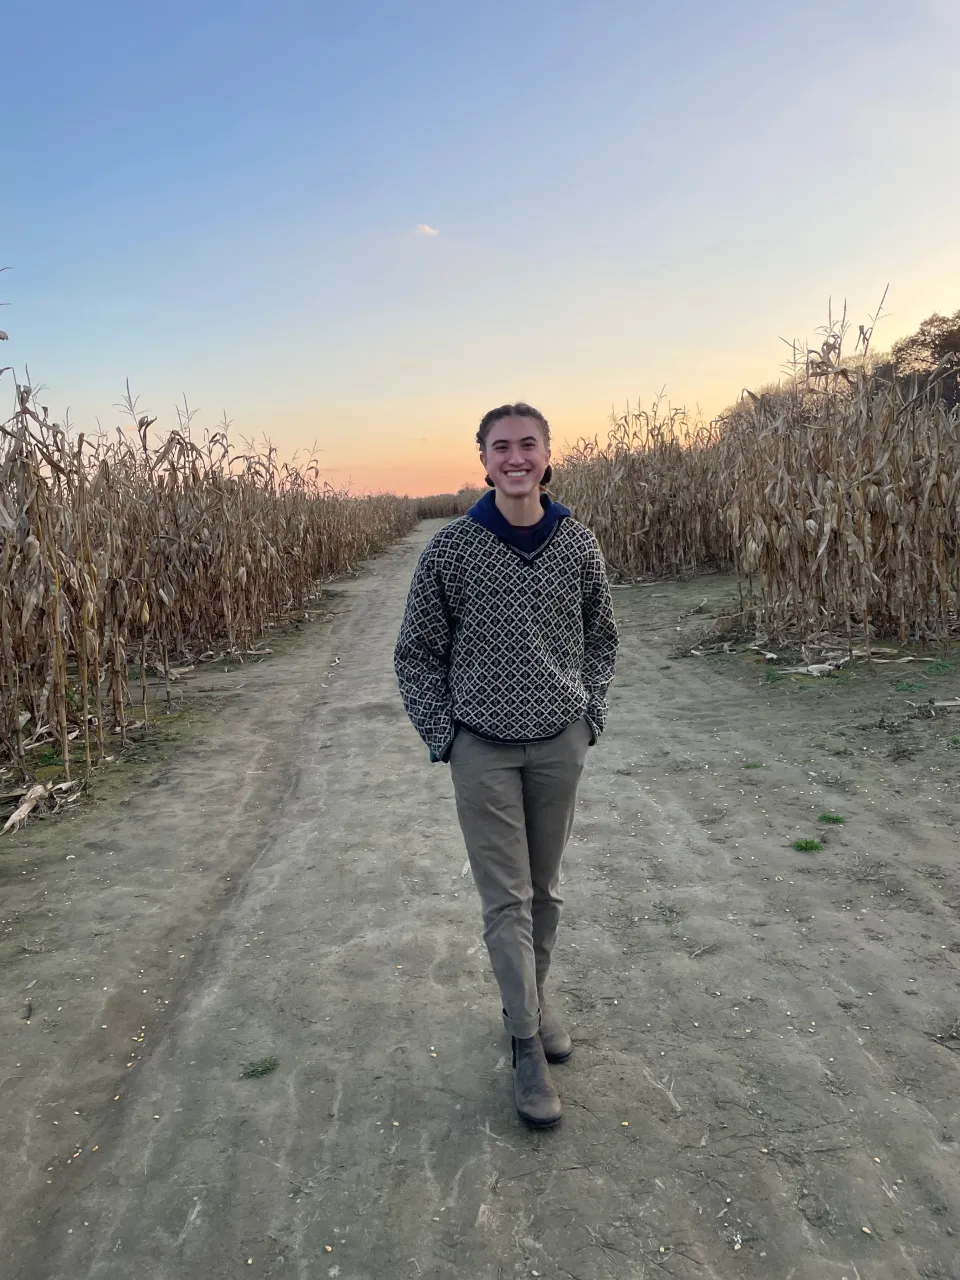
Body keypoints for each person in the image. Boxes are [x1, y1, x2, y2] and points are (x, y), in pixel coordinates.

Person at [394, 403, 618, 1127]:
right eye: (502, 447)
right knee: (507, 898)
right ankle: (524, 1041)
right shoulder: (453, 551)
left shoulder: (577, 544)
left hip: (559, 742)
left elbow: (600, 638)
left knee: (546, 890)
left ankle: (534, 997)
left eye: (528, 445)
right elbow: (415, 654)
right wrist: (446, 736)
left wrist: (589, 716)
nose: (516, 457)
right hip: (481, 748)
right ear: (484, 460)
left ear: (548, 456)